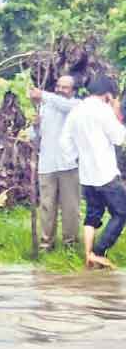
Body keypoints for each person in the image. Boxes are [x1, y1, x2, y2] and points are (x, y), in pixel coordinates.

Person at [60, 76, 126, 269]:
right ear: (107, 95)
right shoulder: (104, 110)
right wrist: (115, 113)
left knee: (93, 215)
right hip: (105, 172)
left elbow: (65, 141)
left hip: (86, 173)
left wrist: (75, 158)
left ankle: (88, 257)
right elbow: (119, 138)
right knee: (122, 212)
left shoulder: (77, 110)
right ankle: (99, 252)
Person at [28, 75, 81, 251]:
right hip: (47, 163)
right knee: (46, 207)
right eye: (58, 86)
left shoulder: (75, 106)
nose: (60, 89)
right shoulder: (45, 106)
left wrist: (42, 94)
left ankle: (70, 245)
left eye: (65, 87)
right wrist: (35, 126)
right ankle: (46, 244)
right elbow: (35, 137)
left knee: (70, 208)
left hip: (68, 164)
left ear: (72, 91)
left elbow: (63, 105)